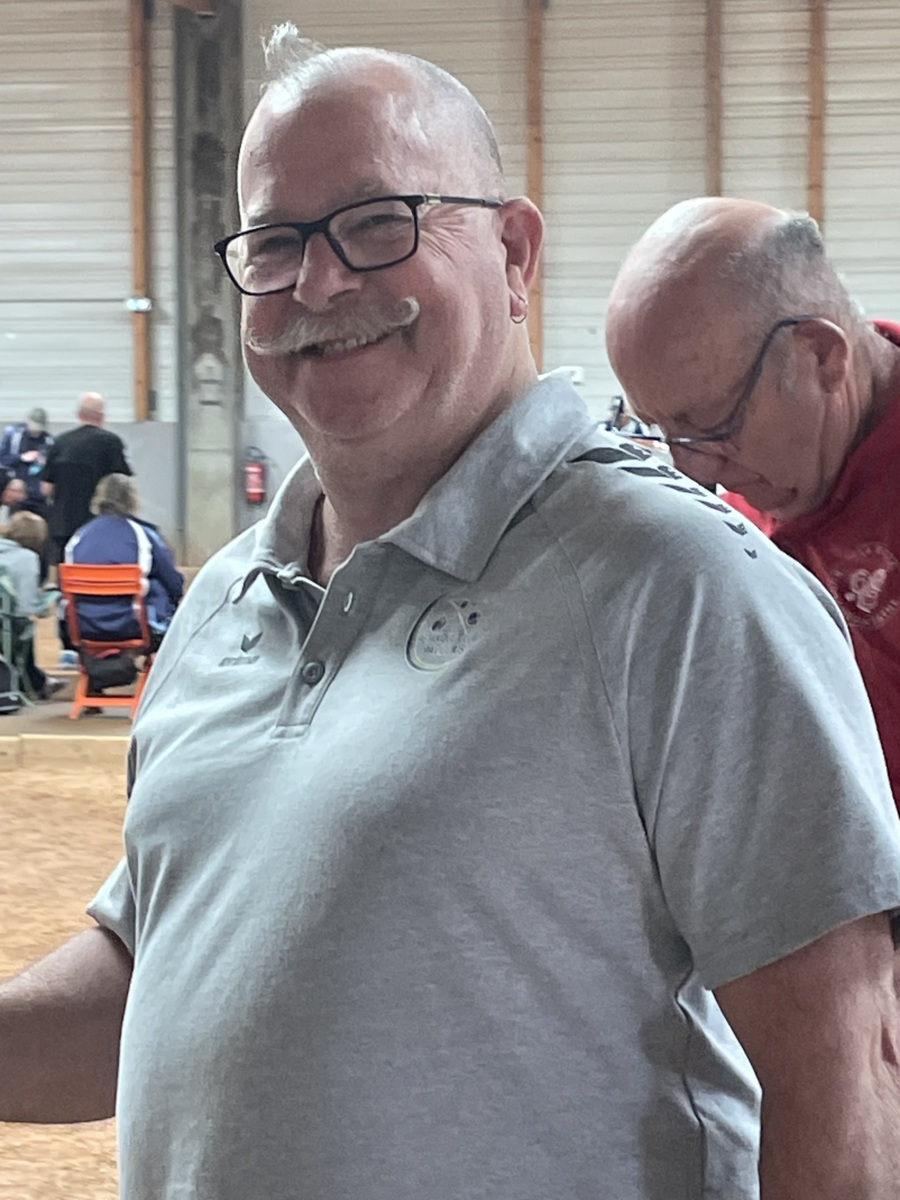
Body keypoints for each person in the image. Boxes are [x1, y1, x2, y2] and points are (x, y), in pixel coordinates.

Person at [3, 33, 900, 1200]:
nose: (318, 282)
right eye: (274, 242)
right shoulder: (225, 597)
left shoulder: (684, 590)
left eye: (379, 222)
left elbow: (845, 1080)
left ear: (514, 253)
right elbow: (155, 972)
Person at [605, 196, 900, 810]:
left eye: (714, 426)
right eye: (665, 432)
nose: (696, 473)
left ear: (821, 356)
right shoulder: (757, 478)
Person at [63, 473, 183, 644]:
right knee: (157, 585)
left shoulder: (79, 536)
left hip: (82, 626)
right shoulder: (143, 534)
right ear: (132, 499)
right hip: (133, 625)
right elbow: (174, 583)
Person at [40, 391, 131, 563]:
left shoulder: (59, 442)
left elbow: (46, 488)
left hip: (63, 526)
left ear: (79, 414)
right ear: (102, 416)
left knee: (68, 574)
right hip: (99, 526)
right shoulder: (111, 442)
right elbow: (122, 484)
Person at [0, 511, 64, 700]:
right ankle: (35, 683)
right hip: (6, 624)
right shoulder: (27, 558)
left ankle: (38, 681)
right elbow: (25, 607)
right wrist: (44, 603)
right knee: (24, 627)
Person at [0, 407, 54, 516]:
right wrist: (21, 457)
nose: (36, 430)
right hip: (17, 494)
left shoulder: (49, 441)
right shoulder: (14, 436)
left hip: (38, 496)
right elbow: (3, 459)